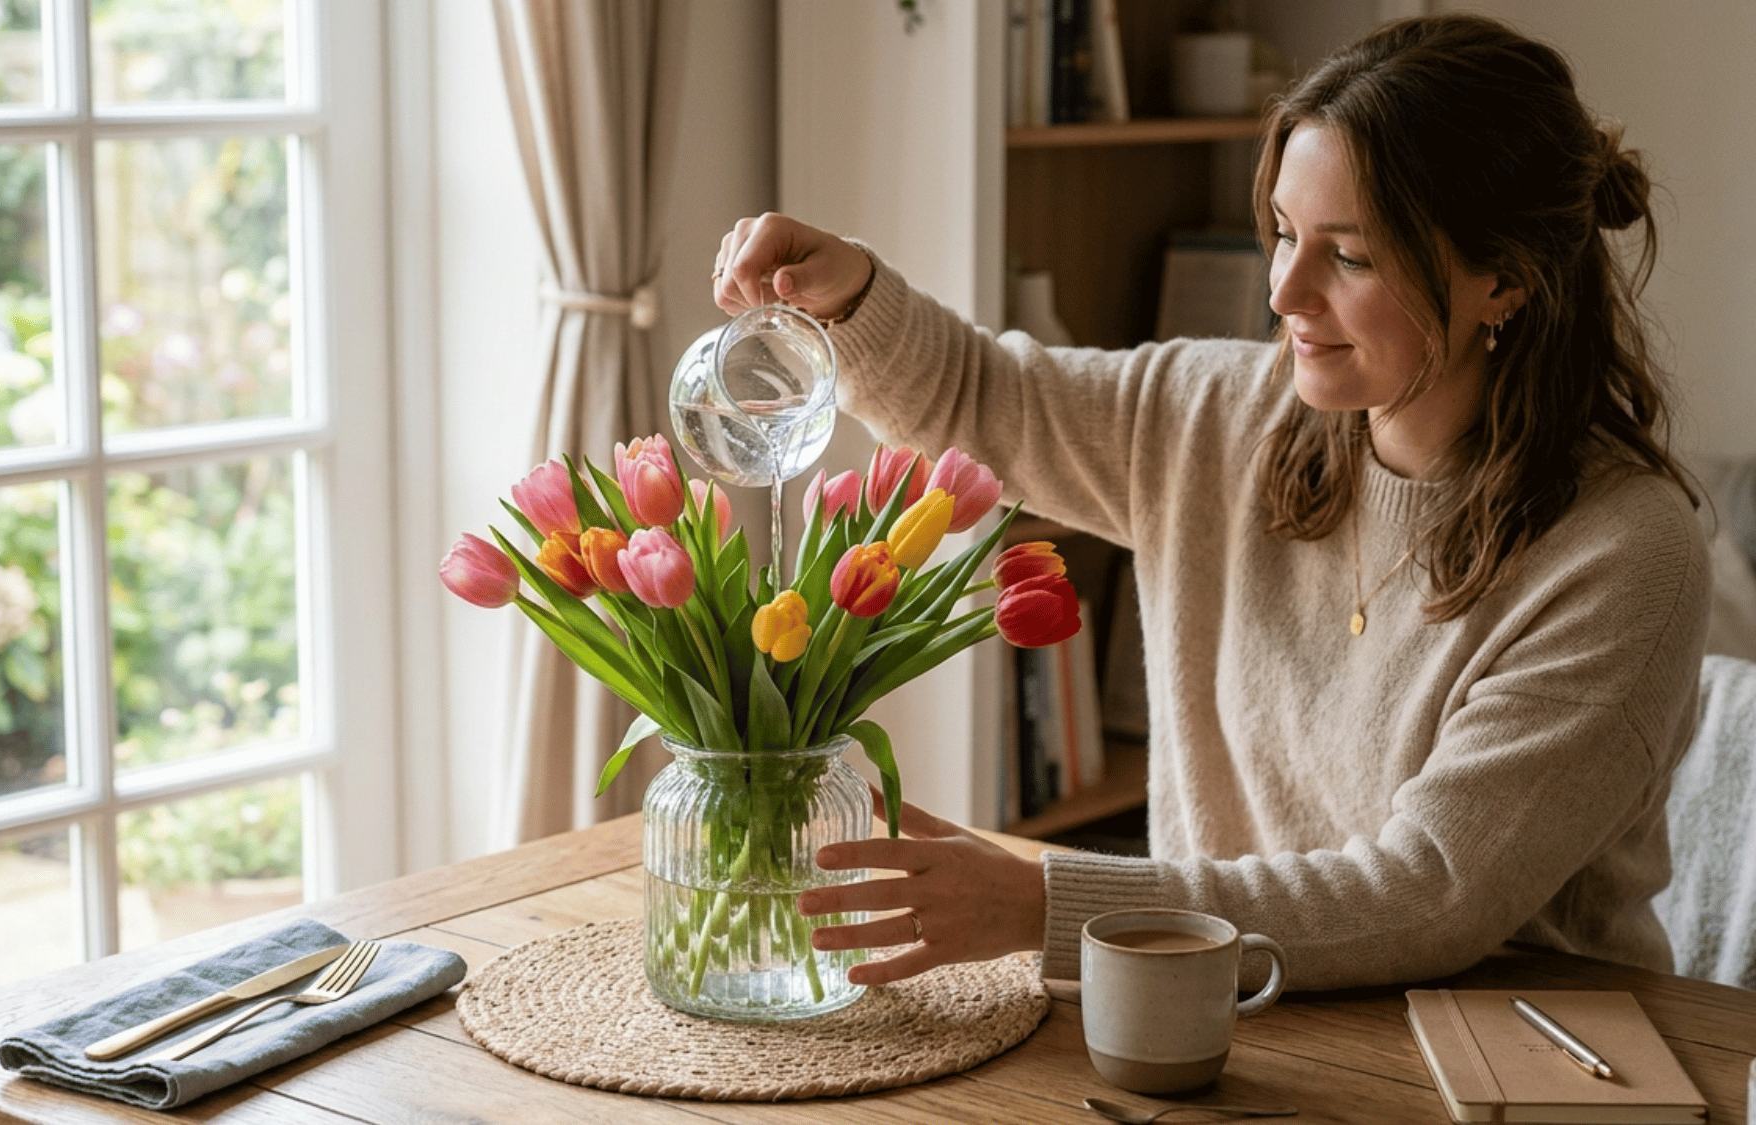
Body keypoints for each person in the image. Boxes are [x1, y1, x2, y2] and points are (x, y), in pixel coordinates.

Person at [711, 13, 1708, 992]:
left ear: (1502, 280)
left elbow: (1429, 892)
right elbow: (987, 404)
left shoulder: (1622, 553)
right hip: (1212, 1017)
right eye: (1280, 233)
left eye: (1346, 255)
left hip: (1515, 1062)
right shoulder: (1221, 414)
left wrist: (1036, 905)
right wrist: (845, 295)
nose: (1282, 291)